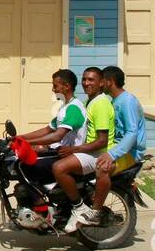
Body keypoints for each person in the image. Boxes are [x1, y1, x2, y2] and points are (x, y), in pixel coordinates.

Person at [66, 64, 146, 232]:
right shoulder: (113, 101)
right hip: (117, 148)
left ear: (108, 82)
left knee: (102, 167)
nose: (91, 84)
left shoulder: (128, 101)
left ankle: (95, 212)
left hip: (130, 152)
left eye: (100, 81)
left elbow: (131, 133)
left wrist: (111, 154)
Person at [47, 67, 114, 212]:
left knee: (59, 168)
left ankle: (79, 207)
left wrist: (73, 149)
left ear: (101, 83)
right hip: (87, 150)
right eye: (84, 79)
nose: (86, 83)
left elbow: (102, 141)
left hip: (98, 154)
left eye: (91, 80)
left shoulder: (100, 104)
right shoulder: (89, 102)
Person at [18, 69, 87, 154]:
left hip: (68, 154)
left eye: (55, 86)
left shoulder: (74, 108)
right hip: (59, 150)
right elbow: (47, 130)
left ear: (67, 86)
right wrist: (20, 137)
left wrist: (27, 142)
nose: (53, 89)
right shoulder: (65, 107)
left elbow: (57, 136)